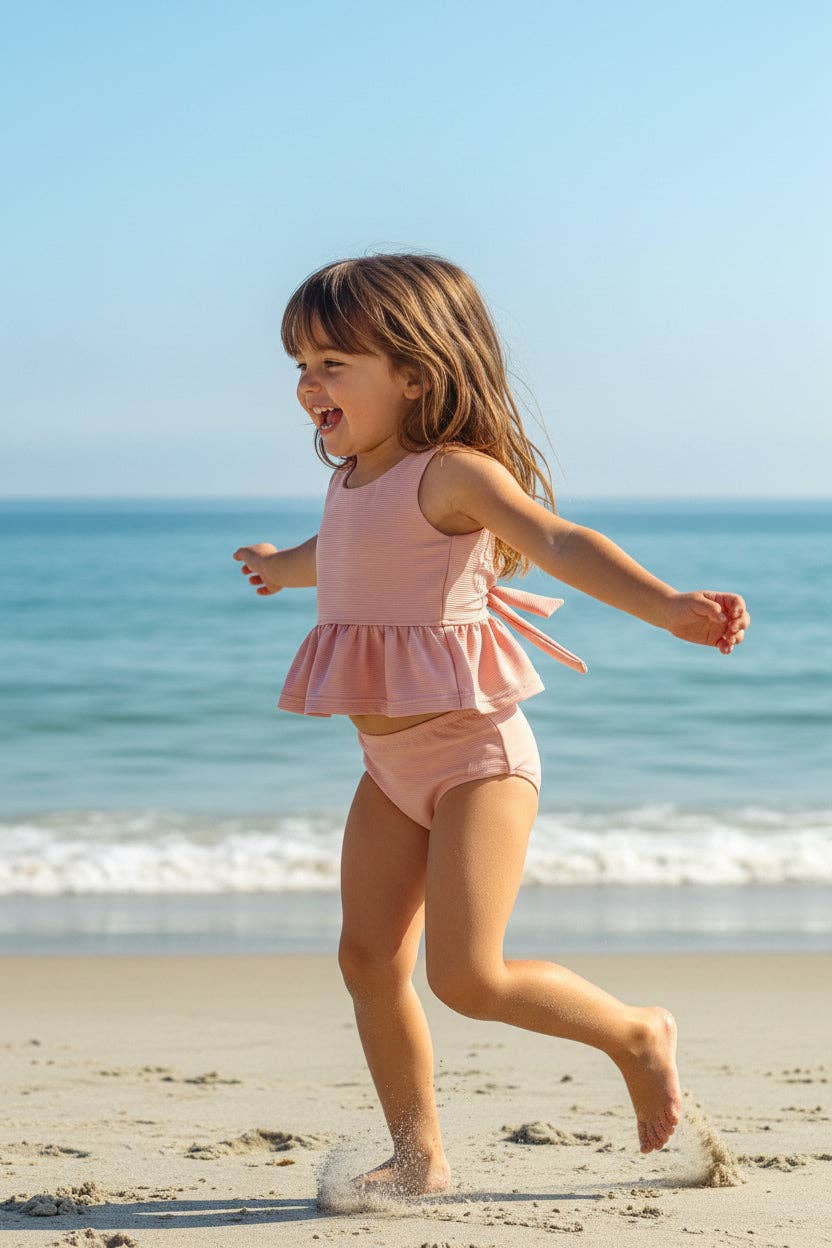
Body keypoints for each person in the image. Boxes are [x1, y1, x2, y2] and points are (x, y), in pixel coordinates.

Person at [233, 252, 750, 1202]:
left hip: (477, 759)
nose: (309, 385)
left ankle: (637, 1033)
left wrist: (670, 605)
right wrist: (282, 564)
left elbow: (560, 543)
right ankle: (420, 1156)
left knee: (467, 978)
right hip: (386, 764)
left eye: (332, 362)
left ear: (417, 373)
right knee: (366, 960)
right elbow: (340, 553)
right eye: (301, 365)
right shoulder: (350, 480)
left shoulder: (453, 474)